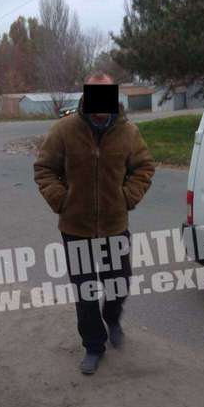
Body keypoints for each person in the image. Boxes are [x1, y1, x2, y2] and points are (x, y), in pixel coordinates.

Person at [34, 71, 155, 374]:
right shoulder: (64, 130)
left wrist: (127, 197)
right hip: (76, 228)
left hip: (114, 225)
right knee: (85, 291)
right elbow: (44, 168)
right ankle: (93, 345)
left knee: (119, 282)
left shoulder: (128, 133)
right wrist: (61, 200)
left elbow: (144, 167)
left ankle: (112, 318)